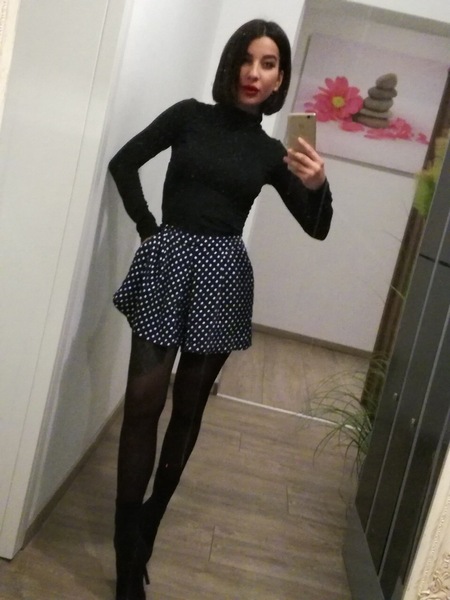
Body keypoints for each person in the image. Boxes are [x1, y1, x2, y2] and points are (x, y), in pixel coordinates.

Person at [108, 18, 333, 600]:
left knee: (187, 412)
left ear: (280, 78)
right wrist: (150, 231)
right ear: (232, 61)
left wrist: (318, 184)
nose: (255, 73)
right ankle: (126, 554)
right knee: (143, 404)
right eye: (248, 59)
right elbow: (124, 163)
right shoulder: (189, 116)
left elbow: (317, 227)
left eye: (269, 64)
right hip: (168, 264)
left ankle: (149, 528)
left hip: (223, 280)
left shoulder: (271, 152)